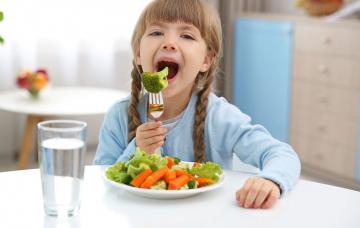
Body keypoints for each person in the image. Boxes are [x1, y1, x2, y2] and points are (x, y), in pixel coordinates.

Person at [94, 0, 301, 209]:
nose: (169, 43)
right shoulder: (119, 115)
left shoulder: (219, 116)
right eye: (157, 32)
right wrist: (137, 149)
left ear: (206, 60)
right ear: (138, 54)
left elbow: (282, 154)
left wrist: (270, 180)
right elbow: (99, 178)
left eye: (186, 36)